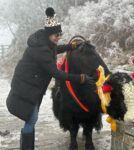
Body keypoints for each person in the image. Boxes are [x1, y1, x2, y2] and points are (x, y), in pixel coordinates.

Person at [6, 7, 96, 150]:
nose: (58, 37)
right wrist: (80, 78)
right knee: (32, 118)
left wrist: (69, 46)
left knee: (31, 118)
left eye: (60, 34)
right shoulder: (41, 51)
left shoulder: (44, 41)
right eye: (56, 35)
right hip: (27, 85)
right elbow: (57, 73)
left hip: (31, 84)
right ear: (49, 34)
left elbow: (54, 49)